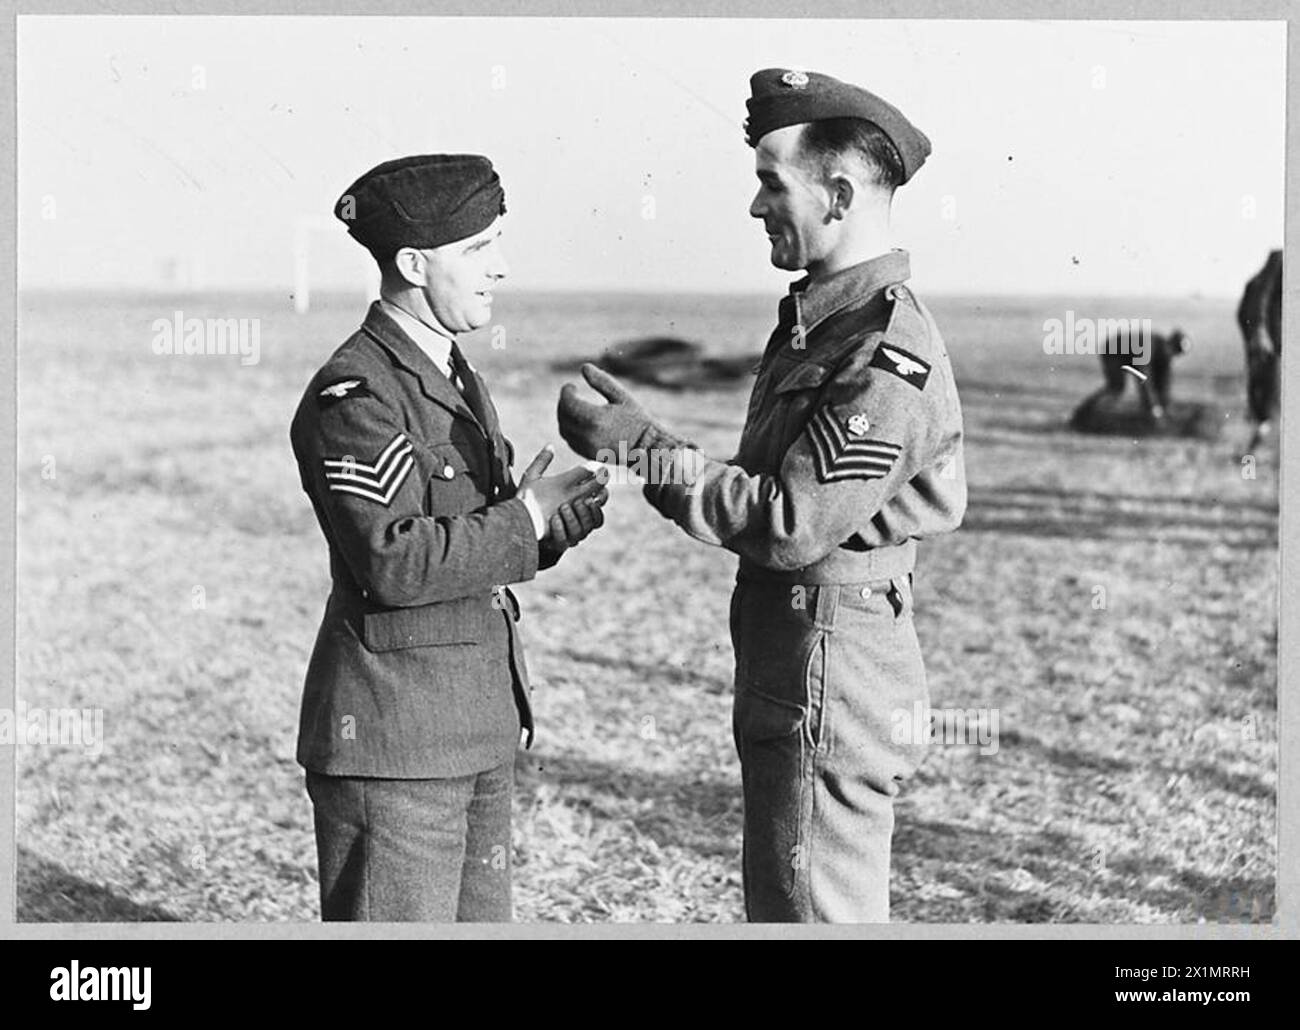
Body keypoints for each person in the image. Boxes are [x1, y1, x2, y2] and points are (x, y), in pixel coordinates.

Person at [557, 70, 967, 922]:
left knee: (812, 910)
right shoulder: (825, 322)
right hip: (804, 652)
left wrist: (640, 446)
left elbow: (790, 520)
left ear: (840, 192)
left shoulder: (886, 353)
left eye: (770, 182)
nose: (755, 208)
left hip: (832, 665)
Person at [290, 153, 608, 921]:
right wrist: (524, 517)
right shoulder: (356, 393)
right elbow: (393, 562)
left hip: (471, 727)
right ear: (409, 263)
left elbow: (459, 538)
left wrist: (546, 527)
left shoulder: (451, 369)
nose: (500, 267)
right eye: (477, 248)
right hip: (396, 747)